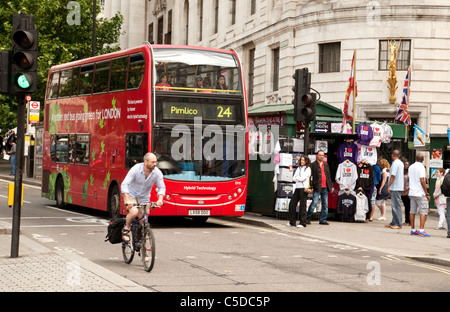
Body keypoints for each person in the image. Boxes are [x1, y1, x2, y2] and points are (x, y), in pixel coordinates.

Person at [120, 153, 165, 242]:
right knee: (134, 212)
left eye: (156, 162)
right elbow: (125, 184)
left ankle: (144, 249)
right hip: (131, 194)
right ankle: (126, 228)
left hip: (144, 197)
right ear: (145, 162)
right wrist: (128, 200)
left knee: (144, 223)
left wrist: (160, 199)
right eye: (152, 162)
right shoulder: (136, 169)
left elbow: (161, 187)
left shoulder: (157, 172)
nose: (155, 164)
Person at [307, 150, 334, 225]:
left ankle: (323, 220)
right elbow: (311, 176)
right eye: (320, 155)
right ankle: (307, 218)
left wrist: (331, 186)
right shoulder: (313, 165)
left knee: (325, 204)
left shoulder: (326, 165)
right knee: (314, 203)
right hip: (317, 187)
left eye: (322, 155)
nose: (321, 156)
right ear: (317, 156)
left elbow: (328, 176)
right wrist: (311, 186)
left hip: (325, 187)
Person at [407, 153, 430, 236]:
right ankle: (421, 229)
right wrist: (426, 193)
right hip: (420, 192)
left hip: (412, 191)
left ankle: (413, 229)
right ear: (423, 159)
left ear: (416, 158)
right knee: (423, 211)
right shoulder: (421, 167)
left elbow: (409, 178)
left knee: (412, 211)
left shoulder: (411, 167)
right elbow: (422, 180)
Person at [287, 156, 311, 228]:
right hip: (297, 188)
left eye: (303, 160)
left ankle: (303, 223)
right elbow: (294, 178)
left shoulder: (308, 169)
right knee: (292, 204)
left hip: (303, 188)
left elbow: (303, 178)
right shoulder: (298, 168)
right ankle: (292, 222)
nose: (302, 161)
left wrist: (298, 178)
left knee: (302, 206)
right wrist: (298, 179)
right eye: (301, 160)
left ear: (306, 161)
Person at [386, 150, 404, 229]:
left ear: (393, 155)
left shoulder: (395, 163)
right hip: (398, 185)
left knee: (396, 205)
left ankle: (398, 223)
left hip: (395, 186)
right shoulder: (400, 163)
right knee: (394, 205)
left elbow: (393, 176)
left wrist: (388, 186)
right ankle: (394, 221)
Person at [401, 161, 411, 226]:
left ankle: (408, 221)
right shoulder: (402, 172)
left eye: (407, 164)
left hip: (408, 191)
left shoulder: (410, 173)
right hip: (402, 191)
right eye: (405, 164)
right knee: (406, 206)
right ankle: (407, 220)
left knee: (408, 207)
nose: (406, 165)